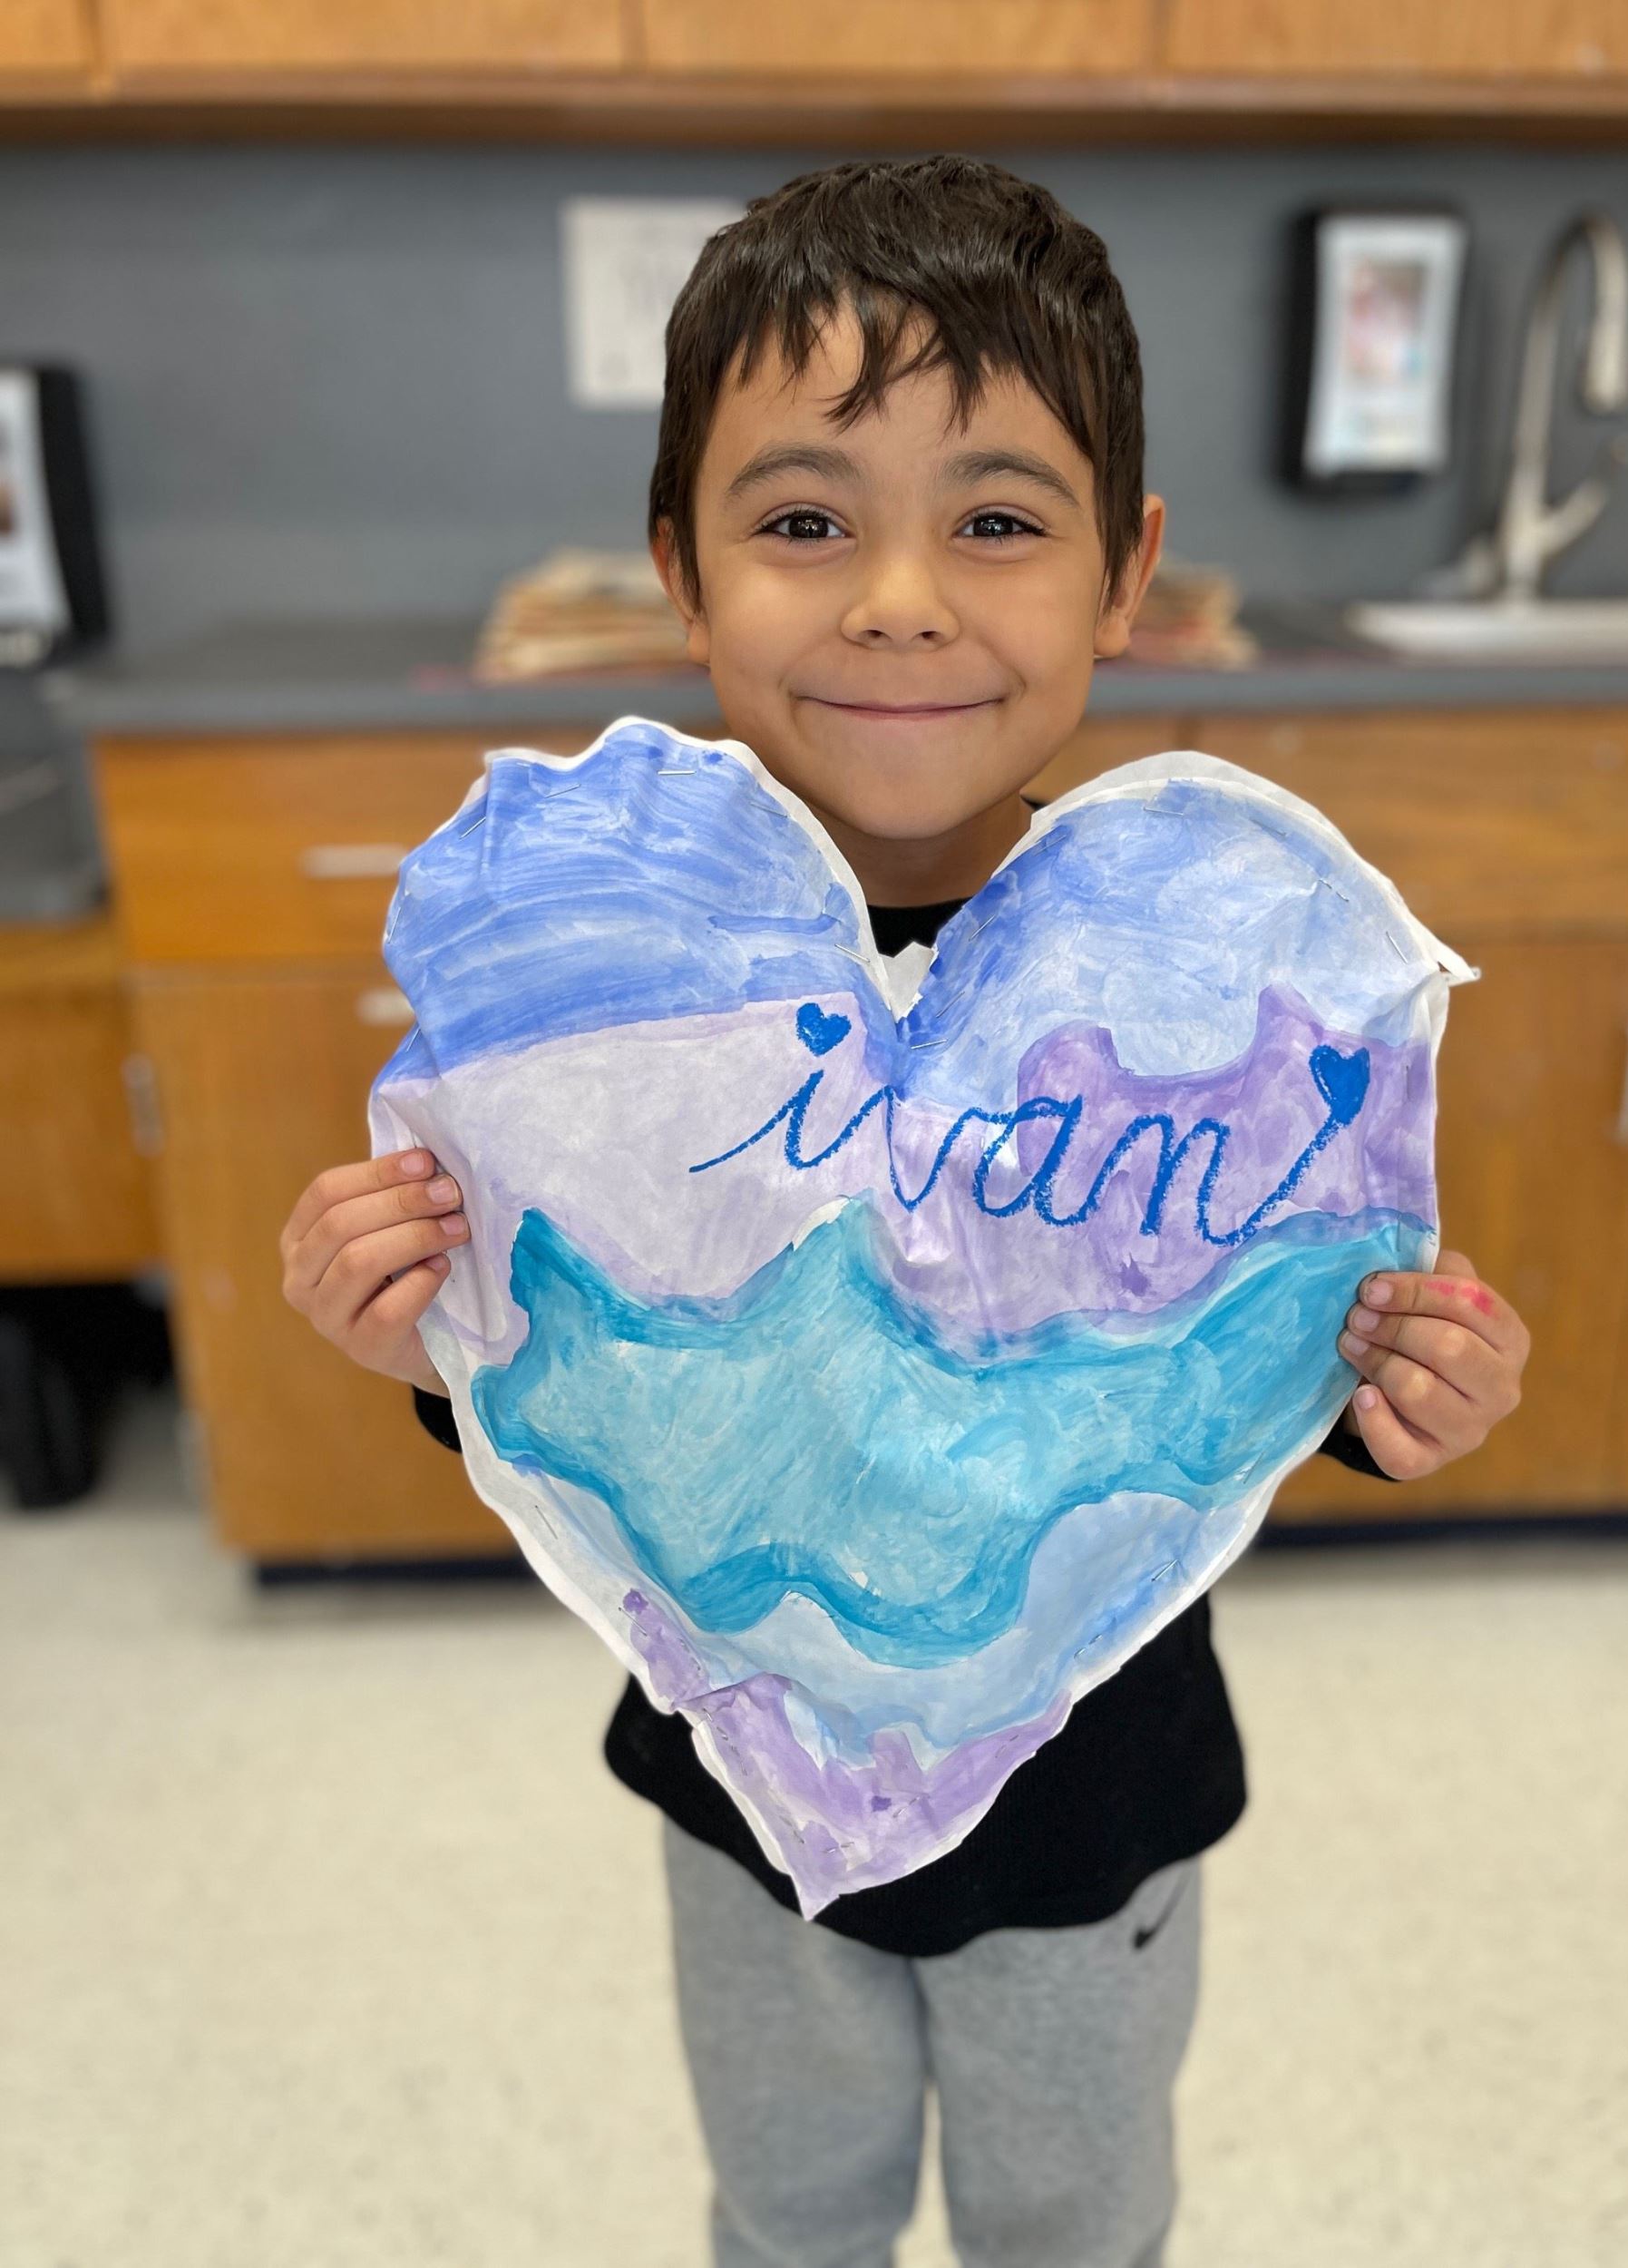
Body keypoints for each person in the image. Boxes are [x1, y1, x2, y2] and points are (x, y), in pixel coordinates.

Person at [279, 156, 1531, 2268]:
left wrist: (1402, 1389)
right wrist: (414, 1322)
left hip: (1095, 1796)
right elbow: (580, 1348)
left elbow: (1253, 1321)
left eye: (999, 521)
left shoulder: (1195, 982)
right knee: (792, 2203)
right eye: (801, 522)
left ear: (1129, 574)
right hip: (739, 1787)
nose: (897, 598)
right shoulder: (617, 985)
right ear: (678, 569)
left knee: (1074, 2211)